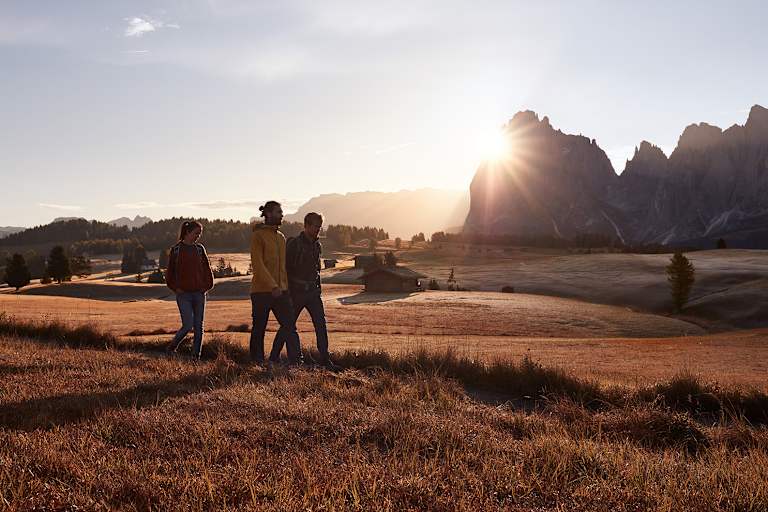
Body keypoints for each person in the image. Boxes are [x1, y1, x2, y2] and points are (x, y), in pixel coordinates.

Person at [271, 212, 337, 369]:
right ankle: (273, 357)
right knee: (287, 325)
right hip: (296, 292)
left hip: (313, 293)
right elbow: (284, 268)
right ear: (306, 225)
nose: (318, 230)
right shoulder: (294, 244)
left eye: (320, 227)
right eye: (316, 226)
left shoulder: (317, 245)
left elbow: (317, 270)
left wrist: (318, 289)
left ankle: (325, 359)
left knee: (320, 325)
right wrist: (285, 292)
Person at [249, 201, 302, 365]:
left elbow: (283, 267)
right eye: (279, 212)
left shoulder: (281, 237)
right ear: (269, 214)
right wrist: (273, 286)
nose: (282, 215)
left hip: (281, 291)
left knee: (289, 324)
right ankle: (257, 361)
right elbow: (258, 264)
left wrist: (285, 287)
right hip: (261, 291)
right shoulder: (257, 236)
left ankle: (284, 359)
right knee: (259, 329)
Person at [165, 220, 214, 359]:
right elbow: (169, 273)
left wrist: (207, 286)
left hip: (199, 293)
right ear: (187, 232)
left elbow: (207, 269)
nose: (198, 236)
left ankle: (195, 357)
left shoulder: (200, 249)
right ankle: (171, 347)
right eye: (196, 233)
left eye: (200, 233)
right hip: (183, 294)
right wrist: (175, 288)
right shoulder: (176, 250)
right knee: (187, 325)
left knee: (199, 327)